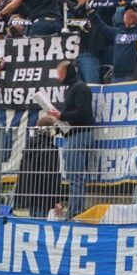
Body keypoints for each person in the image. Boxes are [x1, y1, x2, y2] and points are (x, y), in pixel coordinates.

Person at [44, 60, 95, 219]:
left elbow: (82, 113)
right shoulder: (74, 88)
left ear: (67, 72)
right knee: (74, 177)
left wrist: (61, 116)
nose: (58, 78)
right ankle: (74, 211)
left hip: (79, 135)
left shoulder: (79, 88)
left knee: (76, 177)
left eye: (60, 74)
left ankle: (75, 213)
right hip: (73, 136)